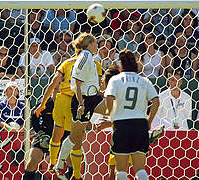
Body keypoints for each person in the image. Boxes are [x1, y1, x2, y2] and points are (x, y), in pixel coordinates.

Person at [104, 49, 160, 180]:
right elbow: (156, 100)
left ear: (121, 64)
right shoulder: (144, 81)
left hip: (121, 125)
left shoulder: (115, 79)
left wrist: (110, 115)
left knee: (121, 171)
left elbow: (109, 98)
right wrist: (149, 121)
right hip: (140, 124)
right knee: (140, 170)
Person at [54, 32, 102, 180]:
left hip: (93, 98)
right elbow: (76, 82)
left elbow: (87, 81)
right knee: (75, 138)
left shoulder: (90, 58)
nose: (97, 45)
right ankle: (60, 162)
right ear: (89, 44)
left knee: (115, 109)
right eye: (95, 42)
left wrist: (101, 92)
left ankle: (140, 129)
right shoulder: (85, 57)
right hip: (84, 101)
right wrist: (81, 103)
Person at [24, 97, 54, 180]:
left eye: (60, 83)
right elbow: (34, 119)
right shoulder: (45, 101)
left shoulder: (68, 100)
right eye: (56, 84)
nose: (57, 87)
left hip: (62, 135)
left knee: (71, 161)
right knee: (31, 162)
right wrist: (40, 132)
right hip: (44, 135)